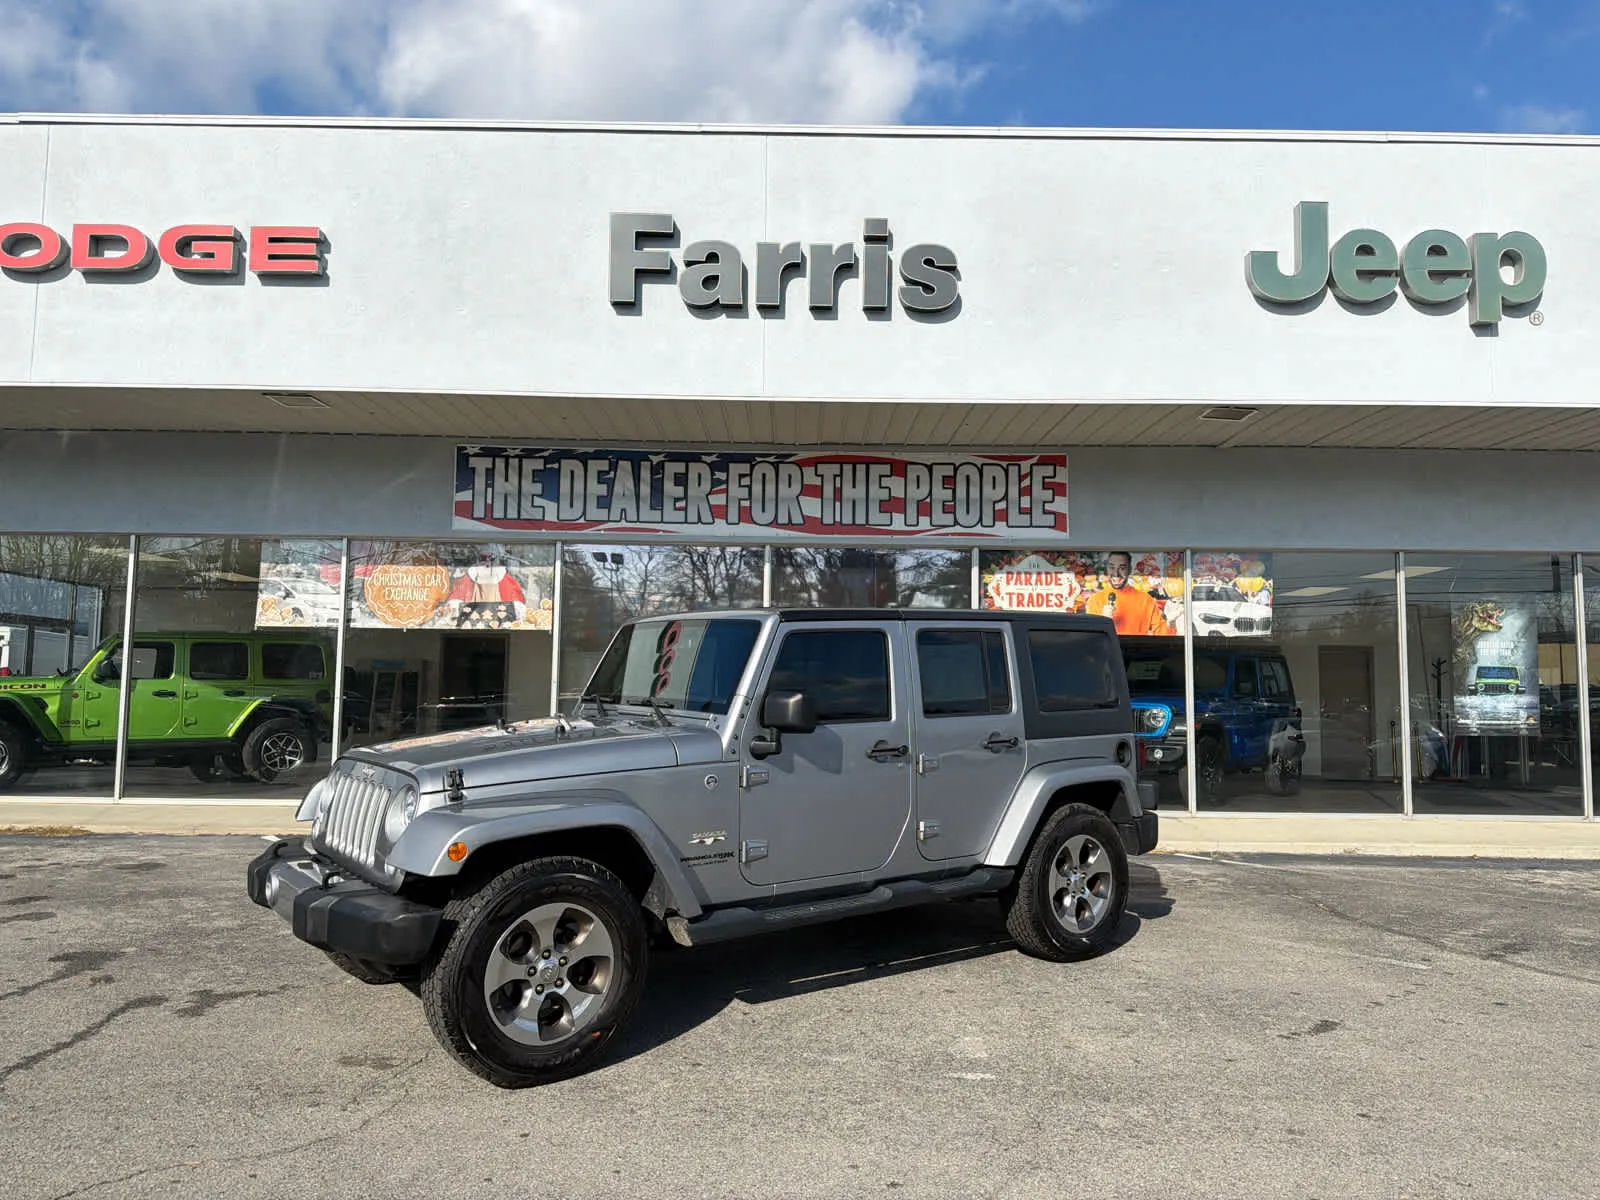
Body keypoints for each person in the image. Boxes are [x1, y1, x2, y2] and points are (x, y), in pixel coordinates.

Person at [1084, 551, 1173, 636]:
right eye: (1112, 567)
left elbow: (1163, 634)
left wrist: (1171, 622)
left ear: (1129, 570)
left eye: (1122, 568)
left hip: (1136, 651)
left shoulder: (1145, 600)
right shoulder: (1095, 600)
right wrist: (1102, 620)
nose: (1116, 574)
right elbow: (1089, 639)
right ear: (1107, 569)